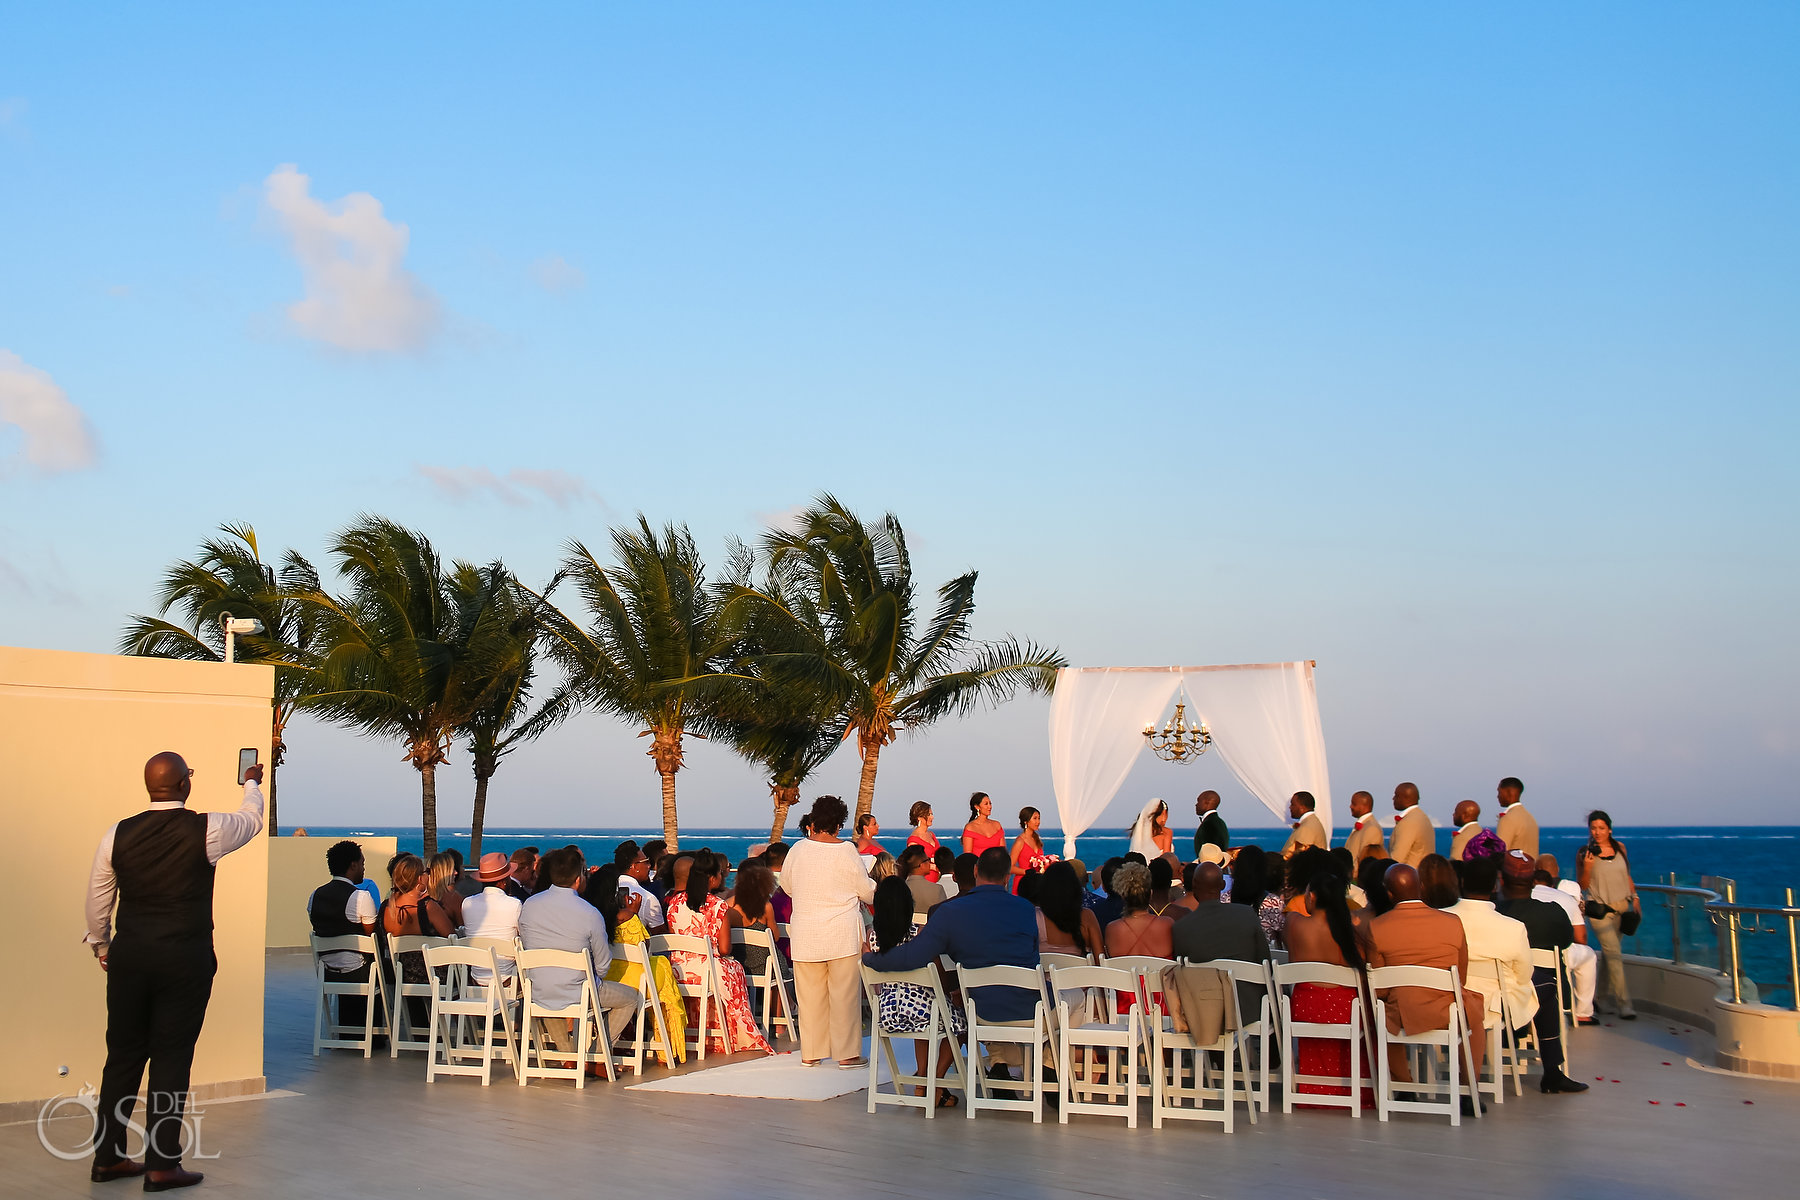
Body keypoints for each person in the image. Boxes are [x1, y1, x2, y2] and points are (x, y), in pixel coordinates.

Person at [85, 754, 265, 1190]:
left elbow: (98, 900)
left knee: (123, 1056)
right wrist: (251, 782)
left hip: (129, 960)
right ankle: (163, 1164)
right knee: (171, 1057)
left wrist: (103, 945)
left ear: (150, 787)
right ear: (184, 785)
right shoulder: (208, 829)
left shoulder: (117, 834)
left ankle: (108, 1158)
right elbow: (253, 819)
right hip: (184, 961)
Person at [864, 847, 1042, 1084]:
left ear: (976, 870)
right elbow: (1033, 958)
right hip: (1030, 1009)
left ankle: (991, 1065)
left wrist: (871, 960)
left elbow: (913, 956)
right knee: (1071, 1002)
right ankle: (1049, 1064)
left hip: (980, 1010)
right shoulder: (1026, 909)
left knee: (962, 1004)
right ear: (1008, 877)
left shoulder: (950, 911)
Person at [1368, 863, 1484, 1100]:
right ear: (1421, 887)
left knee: (1377, 1014)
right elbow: (1459, 977)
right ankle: (1469, 1088)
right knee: (1472, 1011)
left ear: (1389, 893)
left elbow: (1378, 987)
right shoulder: (1452, 922)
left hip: (1401, 1011)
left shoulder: (1377, 927)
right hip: (1446, 1011)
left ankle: (1405, 1085)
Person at [516, 849, 641, 1064]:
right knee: (631, 997)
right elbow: (603, 963)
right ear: (578, 879)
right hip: (579, 990)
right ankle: (596, 1054)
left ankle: (568, 1056)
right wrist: (592, 980)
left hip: (537, 988)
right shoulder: (589, 912)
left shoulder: (530, 905)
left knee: (548, 994)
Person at [783, 795, 877, 1067]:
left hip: (806, 932)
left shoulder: (798, 850)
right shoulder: (846, 851)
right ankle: (847, 1054)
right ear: (839, 824)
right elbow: (866, 892)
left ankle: (811, 1052)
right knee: (844, 996)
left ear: (813, 821)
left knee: (810, 998)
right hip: (841, 932)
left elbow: (788, 887)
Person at [867, 876, 966, 1107]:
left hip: (888, 1014)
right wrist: (952, 993)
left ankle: (923, 1078)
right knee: (960, 1022)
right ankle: (934, 1081)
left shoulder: (873, 938)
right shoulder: (919, 934)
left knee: (928, 1020)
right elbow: (938, 974)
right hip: (923, 1012)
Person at [1494, 850, 1587, 1093]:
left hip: (1494, 995)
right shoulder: (1553, 913)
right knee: (1546, 986)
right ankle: (1552, 1071)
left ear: (1501, 879)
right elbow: (1567, 942)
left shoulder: (1494, 913)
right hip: (1535, 993)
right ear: (1534, 879)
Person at [665, 851, 775, 1055]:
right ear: (712, 878)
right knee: (734, 967)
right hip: (707, 970)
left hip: (678, 970)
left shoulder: (674, 904)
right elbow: (724, 949)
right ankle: (730, 1035)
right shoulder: (717, 906)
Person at [1283, 864, 1373, 1107]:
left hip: (1305, 1008)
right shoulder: (1349, 930)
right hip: (1345, 1011)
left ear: (1311, 897)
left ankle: (1314, 1090)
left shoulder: (1294, 923)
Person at [1448, 855, 1538, 1047]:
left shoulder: (1439, 918)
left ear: (1462, 882)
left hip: (1448, 1002)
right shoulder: (1514, 927)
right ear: (1495, 886)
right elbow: (1524, 975)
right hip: (1493, 1006)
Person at [1171, 862, 1271, 1022]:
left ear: (1194, 885)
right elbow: (1265, 963)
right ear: (1223, 885)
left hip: (1204, 1013)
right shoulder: (1247, 915)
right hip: (1249, 1010)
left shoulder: (1181, 927)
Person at [308, 839, 380, 1031]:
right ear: (353, 865)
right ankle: (377, 1032)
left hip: (327, 971)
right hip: (357, 971)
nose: (364, 869)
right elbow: (370, 935)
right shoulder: (360, 897)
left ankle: (347, 1031)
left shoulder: (315, 895)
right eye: (362, 864)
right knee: (388, 969)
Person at [1577, 809, 1639, 1019]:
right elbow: (1582, 885)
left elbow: (1627, 875)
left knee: (1610, 956)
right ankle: (1625, 1005)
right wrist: (1587, 867)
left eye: (1601, 828)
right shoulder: (1585, 853)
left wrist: (1635, 898)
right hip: (1600, 911)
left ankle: (1600, 999)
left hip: (1622, 907)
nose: (1597, 832)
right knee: (1613, 954)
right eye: (1593, 828)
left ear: (1609, 829)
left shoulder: (1620, 848)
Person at [1534, 853, 1599, 1024]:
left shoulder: (1523, 894)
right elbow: (1581, 938)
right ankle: (1583, 1012)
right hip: (1559, 957)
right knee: (1589, 955)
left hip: (1527, 956)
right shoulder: (1567, 893)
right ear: (1556, 870)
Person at [460, 852, 523, 987]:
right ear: (503, 882)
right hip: (507, 980)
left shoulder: (467, 903)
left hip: (475, 979)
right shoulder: (514, 905)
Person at [1103, 862, 1173, 959]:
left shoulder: (1112, 929)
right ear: (1151, 894)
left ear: (1123, 897)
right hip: (1158, 974)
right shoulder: (1167, 924)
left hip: (1124, 974)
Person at [728, 861, 779, 979]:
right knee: (778, 967)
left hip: (738, 964)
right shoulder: (766, 907)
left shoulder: (728, 905)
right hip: (765, 967)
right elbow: (775, 937)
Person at [613, 841, 665, 931]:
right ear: (635, 867)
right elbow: (659, 936)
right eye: (646, 862)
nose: (649, 866)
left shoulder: (607, 890)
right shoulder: (647, 898)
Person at [1390, 782, 1436, 867]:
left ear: (1406, 798)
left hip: (1410, 876)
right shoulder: (1422, 817)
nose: (1393, 799)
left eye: (1396, 795)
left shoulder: (1408, 822)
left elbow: (1397, 857)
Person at [1495, 777, 1539, 857]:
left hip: (1514, 868)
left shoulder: (1508, 818)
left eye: (1499, 792)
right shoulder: (1530, 818)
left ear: (1509, 792)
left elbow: (1501, 852)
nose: (1498, 796)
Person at [1010, 806, 1049, 893]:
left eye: (1039, 818)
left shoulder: (1037, 839)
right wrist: (1027, 872)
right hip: (1022, 884)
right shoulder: (1020, 841)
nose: (1038, 822)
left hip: (1036, 884)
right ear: (1026, 821)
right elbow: (1010, 867)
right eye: (1035, 818)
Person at [900, 844, 947, 914]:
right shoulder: (937, 889)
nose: (929, 862)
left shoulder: (900, 888)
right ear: (921, 865)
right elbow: (943, 915)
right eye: (928, 860)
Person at [904, 801, 943, 880]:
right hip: (925, 879)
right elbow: (914, 864)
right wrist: (933, 867)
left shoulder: (931, 834)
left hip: (937, 879)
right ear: (919, 817)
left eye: (932, 814)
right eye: (929, 814)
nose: (932, 817)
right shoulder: (914, 840)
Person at [1343, 791, 1385, 863]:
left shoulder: (1372, 828)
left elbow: (1366, 860)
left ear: (1363, 806)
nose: (1350, 806)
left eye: (1354, 804)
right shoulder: (1365, 825)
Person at [426, 850, 465, 928]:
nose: (456, 873)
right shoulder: (453, 898)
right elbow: (463, 928)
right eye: (452, 870)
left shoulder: (422, 896)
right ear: (444, 873)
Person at [1281, 791, 1328, 857]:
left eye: (1293, 804)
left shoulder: (1307, 828)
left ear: (1302, 807)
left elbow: (1297, 856)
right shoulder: (1311, 822)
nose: (1290, 807)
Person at [962, 791, 1006, 859]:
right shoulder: (970, 827)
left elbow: (1003, 853)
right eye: (986, 804)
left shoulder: (997, 825)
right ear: (977, 807)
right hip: (979, 868)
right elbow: (968, 857)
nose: (990, 806)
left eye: (990, 803)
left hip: (997, 867)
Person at [1194, 790, 1229, 858]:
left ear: (1207, 802)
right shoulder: (1220, 822)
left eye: (1198, 801)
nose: (1196, 804)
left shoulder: (1209, 824)